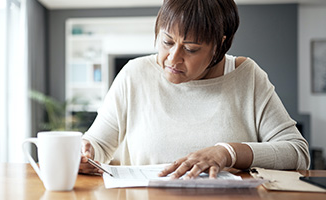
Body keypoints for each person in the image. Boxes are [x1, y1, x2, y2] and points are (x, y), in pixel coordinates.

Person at [79, 0, 310, 179]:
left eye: (190, 49)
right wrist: (84, 153)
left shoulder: (247, 76)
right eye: (167, 42)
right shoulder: (134, 74)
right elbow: (97, 145)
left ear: (220, 45)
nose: (173, 58)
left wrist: (228, 152)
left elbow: (297, 153)